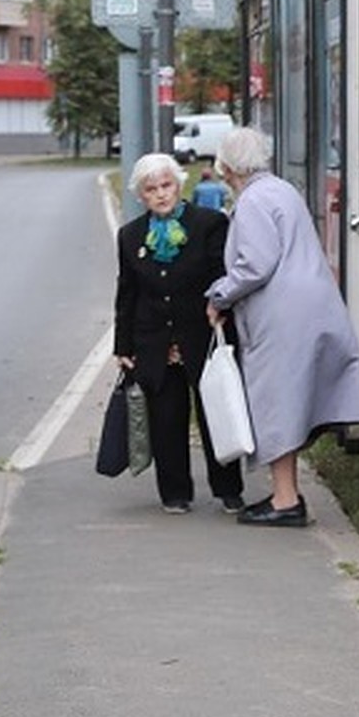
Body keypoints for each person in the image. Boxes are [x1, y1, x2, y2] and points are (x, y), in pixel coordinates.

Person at [205, 127, 359, 528]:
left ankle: (285, 501)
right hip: (311, 304)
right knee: (290, 402)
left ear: (226, 167)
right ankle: (286, 494)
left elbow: (255, 264)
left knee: (276, 402)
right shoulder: (281, 189)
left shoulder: (253, 201)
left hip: (281, 315)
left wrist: (219, 295)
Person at [113, 153, 244, 514]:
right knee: (166, 419)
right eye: (151, 189)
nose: (160, 194)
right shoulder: (130, 236)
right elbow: (127, 293)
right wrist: (122, 345)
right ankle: (175, 493)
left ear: (179, 184)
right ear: (141, 195)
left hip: (202, 336)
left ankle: (228, 489)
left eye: (166, 185)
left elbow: (223, 277)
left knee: (216, 413)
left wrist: (223, 314)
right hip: (154, 341)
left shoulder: (210, 224)